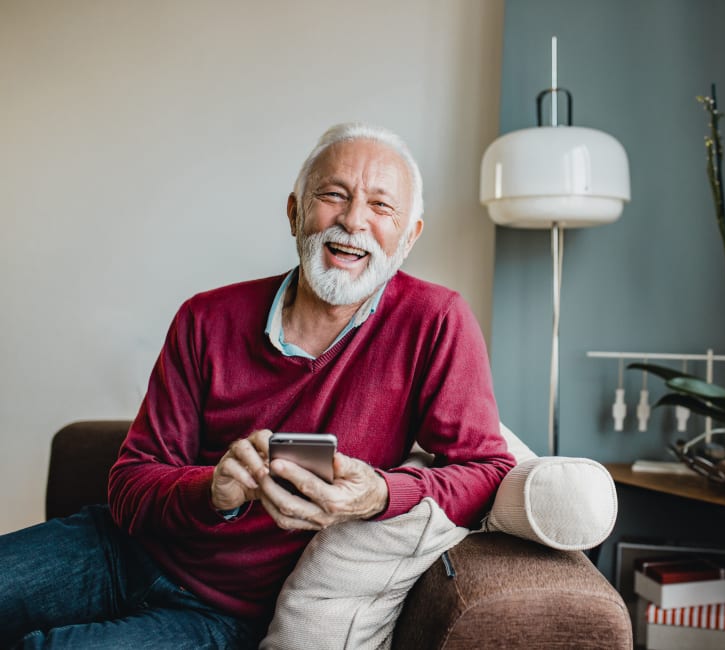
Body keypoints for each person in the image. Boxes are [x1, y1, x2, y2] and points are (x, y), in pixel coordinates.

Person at [0, 122, 515, 648]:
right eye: (333, 195)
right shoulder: (206, 316)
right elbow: (130, 482)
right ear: (294, 212)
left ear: (410, 236)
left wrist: (380, 494)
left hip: (223, 616)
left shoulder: (435, 321)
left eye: (381, 207)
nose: (353, 221)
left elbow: (489, 470)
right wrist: (212, 491)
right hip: (118, 548)